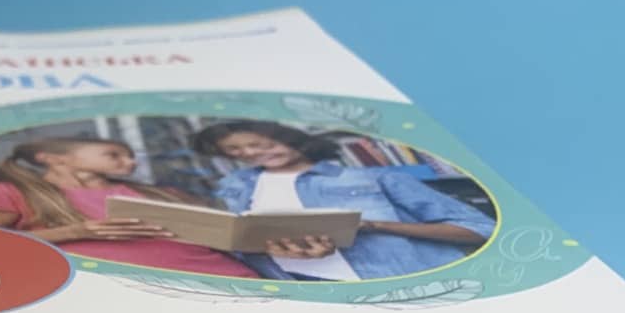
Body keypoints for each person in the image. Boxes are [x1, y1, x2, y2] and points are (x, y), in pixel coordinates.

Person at [194, 120, 495, 281]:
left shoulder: (373, 177)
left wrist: (373, 226)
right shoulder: (233, 186)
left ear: (292, 138)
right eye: (235, 150)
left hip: (397, 283)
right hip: (307, 294)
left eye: (260, 143)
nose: (249, 153)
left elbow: (479, 229)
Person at [0, 136, 256, 277]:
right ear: (52, 158)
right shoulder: (7, 193)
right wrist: (74, 232)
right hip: (126, 293)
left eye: (131, 157)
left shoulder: (161, 193)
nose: (130, 163)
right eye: (113, 154)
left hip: (228, 279)